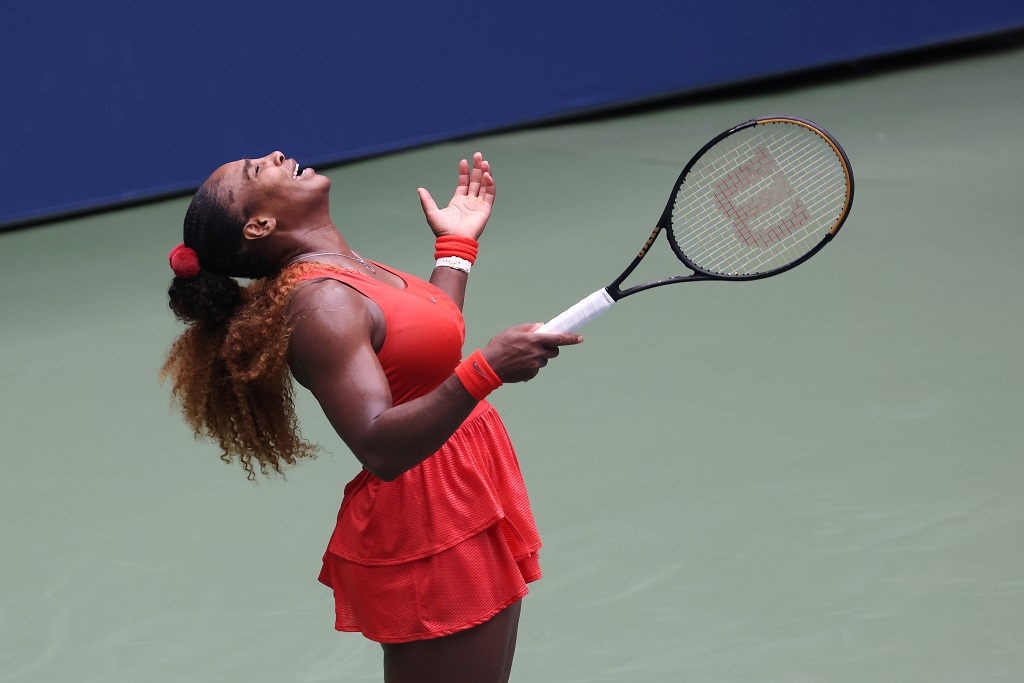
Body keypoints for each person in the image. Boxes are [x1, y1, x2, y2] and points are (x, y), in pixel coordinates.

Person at [161, 150, 583, 682]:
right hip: (428, 516)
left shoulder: (343, 267)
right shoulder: (322, 304)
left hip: (461, 481)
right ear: (260, 224)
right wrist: (488, 369)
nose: (272, 155)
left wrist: (456, 247)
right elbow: (379, 445)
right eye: (254, 171)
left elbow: (425, 345)